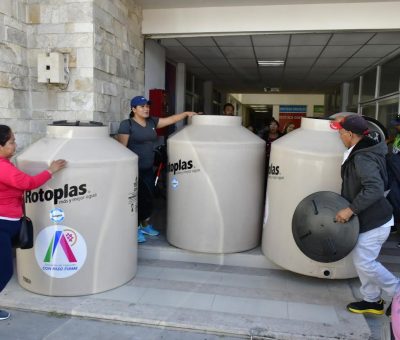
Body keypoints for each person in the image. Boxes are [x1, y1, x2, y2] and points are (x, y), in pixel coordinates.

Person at [330, 115, 399, 315]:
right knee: (362, 261)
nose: (339, 136)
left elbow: (374, 189)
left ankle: (397, 290)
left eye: (341, 132)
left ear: (350, 134)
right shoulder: (363, 150)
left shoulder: (362, 157)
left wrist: (350, 209)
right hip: (369, 219)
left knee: (364, 262)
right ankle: (372, 300)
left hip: (375, 221)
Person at [0, 125, 66, 320]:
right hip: (2, 226)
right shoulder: (2, 167)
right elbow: (27, 184)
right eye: (11, 141)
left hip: (7, 225)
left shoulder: (6, 163)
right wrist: (50, 171)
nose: (15, 144)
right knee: (4, 271)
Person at [117, 96, 197, 243]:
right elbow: (121, 150)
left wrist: (186, 114)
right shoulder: (127, 124)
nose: (146, 108)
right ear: (133, 109)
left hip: (148, 168)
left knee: (148, 199)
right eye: (142, 106)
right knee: (137, 200)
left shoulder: (152, 122)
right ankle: (134, 229)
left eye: (147, 106)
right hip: (133, 171)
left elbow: (171, 119)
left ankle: (145, 225)